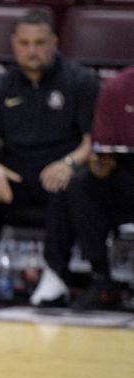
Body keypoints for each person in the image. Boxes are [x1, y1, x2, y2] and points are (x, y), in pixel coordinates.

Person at [0, 10, 99, 303]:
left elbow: (92, 142)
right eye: (25, 43)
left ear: (54, 42)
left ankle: (56, 275)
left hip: (56, 172)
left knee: (69, 183)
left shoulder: (80, 81)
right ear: (14, 44)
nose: (32, 50)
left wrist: (68, 164)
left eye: (39, 43)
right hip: (12, 176)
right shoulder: (1, 87)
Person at [66, 65, 134, 310]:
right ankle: (101, 279)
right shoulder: (118, 86)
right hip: (127, 179)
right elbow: (102, 150)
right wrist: (99, 162)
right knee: (81, 186)